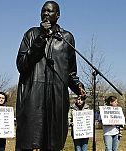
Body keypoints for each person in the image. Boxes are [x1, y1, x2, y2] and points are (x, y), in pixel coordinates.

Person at [15, 1, 86, 151]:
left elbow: (70, 71)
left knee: (53, 143)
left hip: (57, 96)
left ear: (58, 15)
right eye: (43, 11)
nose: (45, 13)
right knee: (30, 142)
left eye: (49, 11)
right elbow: (22, 64)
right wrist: (40, 39)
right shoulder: (31, 34)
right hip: (34, 94)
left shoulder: (67, 38)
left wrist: (78, 87)